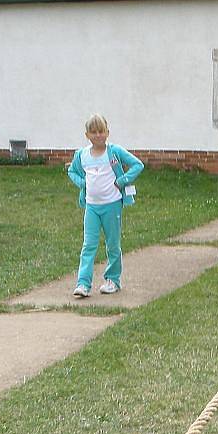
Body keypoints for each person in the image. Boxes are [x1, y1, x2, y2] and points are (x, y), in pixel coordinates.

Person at [67, 114, 143, 298]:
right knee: (89, 245)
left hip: (112, 205)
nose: (98, 135)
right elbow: (72, 171)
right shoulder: (82, 155)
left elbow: (137, 165)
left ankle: (113, 279)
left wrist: (123, 180)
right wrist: (83, 183)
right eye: (93, 132)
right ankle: (83, 283)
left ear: (107, 132)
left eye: (101, 131)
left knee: (112, 244)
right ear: (87, 135)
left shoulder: (114, 152)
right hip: (91, 207)